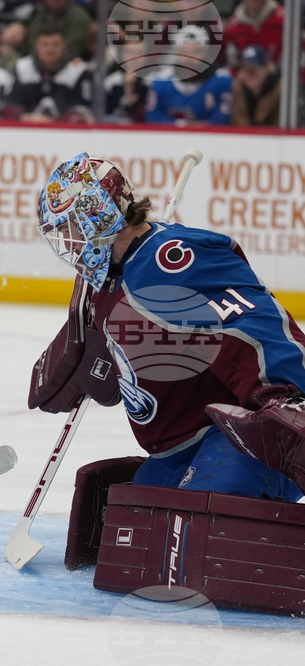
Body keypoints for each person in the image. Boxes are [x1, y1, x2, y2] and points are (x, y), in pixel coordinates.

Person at [31, 152, 305, 502]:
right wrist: (84, 363)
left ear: (97, 217)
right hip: (175, 452)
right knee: (124, 532)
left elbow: (252, 322)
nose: (68, 243)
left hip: (242, 436)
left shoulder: (173, 259)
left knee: (196, 529)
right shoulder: (107, 281)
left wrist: (287, 396)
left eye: (70, 229)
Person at [0, 25, 91, 123]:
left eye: (56, 44)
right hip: (26, 130)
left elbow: (84, 110)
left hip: (65, 133)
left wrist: (53, 122)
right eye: (44, 44)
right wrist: (23, 117)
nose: (50, 49)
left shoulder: (77, 68)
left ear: (64, 45)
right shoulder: (22, 67)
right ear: (36, 46)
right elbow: (7, 104)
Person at [146, 28, 232, 126]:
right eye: (183, 52)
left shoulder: (222, 79)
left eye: (195, 52)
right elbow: (153, 117)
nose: (189, 58)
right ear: (176, 54)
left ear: (205, 54)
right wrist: (181, 125)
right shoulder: (161, 80)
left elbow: (223, 118)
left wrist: (203, 127)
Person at [224, 0, 284, 72]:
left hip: (283, 79)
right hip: (247, 80)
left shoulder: (284, 19)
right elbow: (232, 66)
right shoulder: (232, 28)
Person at [23, 0, 92, 60]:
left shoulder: (79, 17)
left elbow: (72, 48)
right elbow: (31, 39)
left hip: (69, 63)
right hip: (34, 60)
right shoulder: (37, 12)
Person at [231, 44, 280, 126]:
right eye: (244, 69)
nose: (247, 74)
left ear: (267, 68)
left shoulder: (281, 91)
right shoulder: (238, 88)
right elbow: (238, 123)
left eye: (252, 70)